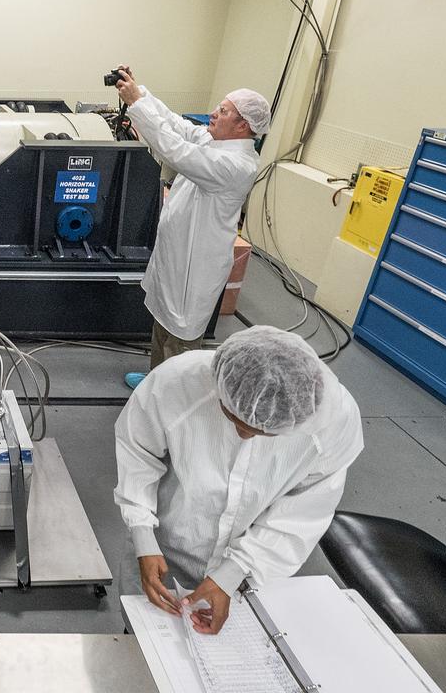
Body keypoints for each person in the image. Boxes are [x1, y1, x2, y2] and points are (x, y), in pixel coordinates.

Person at [113, 326, 363, 634]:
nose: (244, 433)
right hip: (166, 546)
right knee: (146, 641)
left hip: (251, 571)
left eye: (264, 432)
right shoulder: (176, 383)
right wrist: (143, 538)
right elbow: (137, 453)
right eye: (231, 416)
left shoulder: (331, 423)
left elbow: (303, 513)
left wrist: (231, 574)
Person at [112, 66, 270, 388]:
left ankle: (172, 398)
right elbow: (177, 126)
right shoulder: (216, 143)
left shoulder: (235, 165)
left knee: (180, 338)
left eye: (223, 111)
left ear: (243, 125)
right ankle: (157, 379)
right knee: (162, 323)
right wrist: (139, 93)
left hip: (194, 268)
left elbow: (176, 151)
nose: (213, 114)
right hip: (177, 257)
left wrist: (136, 107)